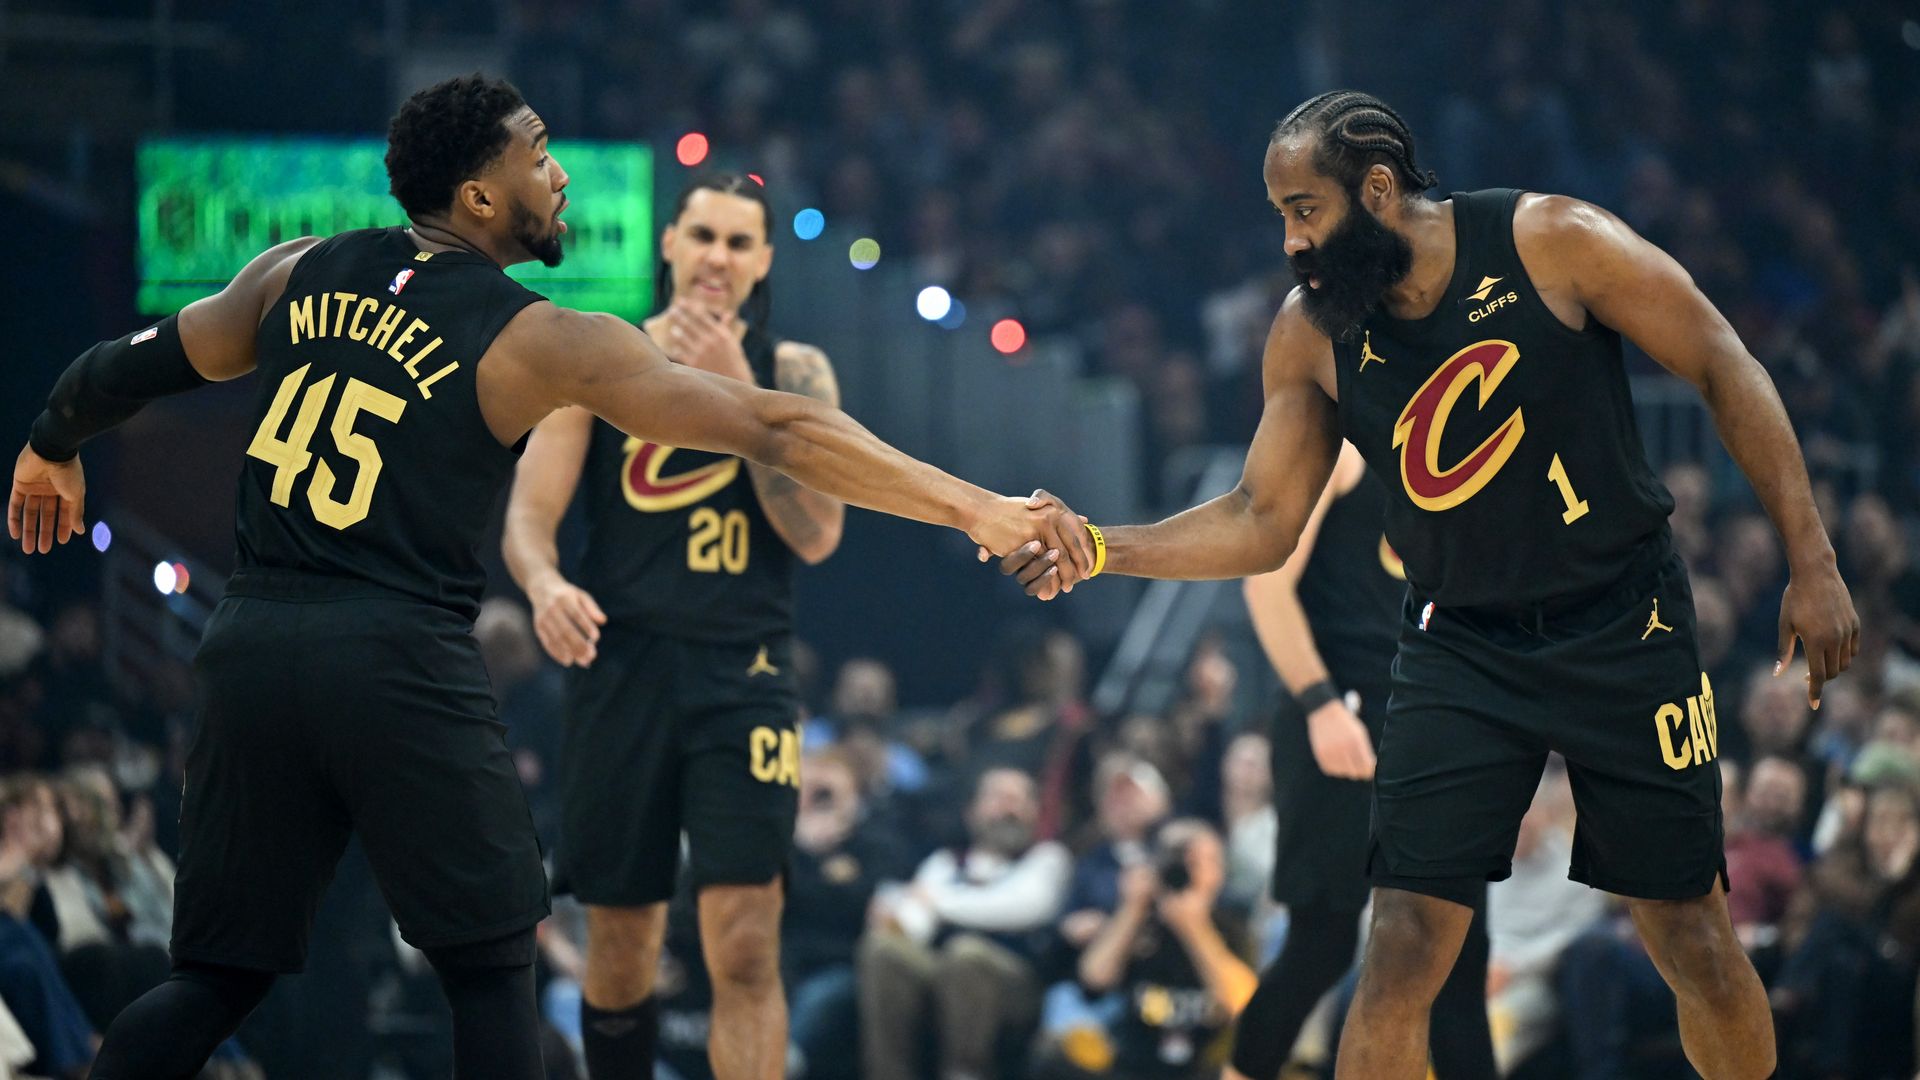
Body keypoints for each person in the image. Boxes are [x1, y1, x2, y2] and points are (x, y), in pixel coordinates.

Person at [8, 73, 1088, 1079]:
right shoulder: (537, 339)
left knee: (214, 978)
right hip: (395, 654)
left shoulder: (297, 269)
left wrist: (53, 436)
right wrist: (976, 508)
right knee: (491, 972)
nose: (560, 173)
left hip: (249, 645)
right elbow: (779, 428)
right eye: (538, 155)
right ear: (480, 196)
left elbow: (139, 361)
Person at [998, 88, 1859, 1079]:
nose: (1291, 242)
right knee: (1401, 945)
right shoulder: (1312, 331)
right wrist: (1101, 546)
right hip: (1461, 644)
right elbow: (1262, 518)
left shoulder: (1553, 241)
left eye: (1305, 210)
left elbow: (1722, 363)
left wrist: (1812, 559)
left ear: (1376, 189)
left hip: (1624, 620)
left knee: (1690, 935)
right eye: (1280, 216)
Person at [502, 171, 846, 1080]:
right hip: (623, 667)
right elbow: (529, 518)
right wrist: (543, 584)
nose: (717, 258)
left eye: (738, 242)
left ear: (764, 261)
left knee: (746, 940)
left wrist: (742, 395)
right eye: (702, 236)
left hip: (746, 670)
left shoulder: (796, 371)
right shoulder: (599, 361)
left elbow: (819, 535)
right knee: (621, 947)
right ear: (669, 244)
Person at [1227, 441, 1494, 1080]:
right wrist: (1321, 704)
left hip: (1435, 723)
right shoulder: (1342, 447)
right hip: (1338, 716)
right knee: (1321, 944)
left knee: (1457, 955)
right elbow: (1265, 586)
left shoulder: (1470, 450)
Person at [859, 766, 1071, 1080]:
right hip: (941, 972)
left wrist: (936, 902)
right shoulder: (945, 863)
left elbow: (1024, 907)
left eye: (1018, 800)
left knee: (967, 954)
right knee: (884, 949)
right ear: (972, 812)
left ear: (1035, 812)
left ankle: (965, 1073)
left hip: (1018, 981)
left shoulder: (1046, 858)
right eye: (998, 798)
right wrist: (891, 915)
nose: (1008, 809)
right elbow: (914, 923)